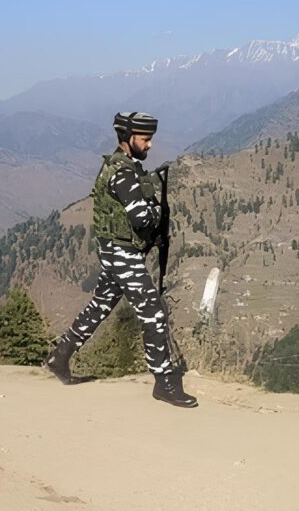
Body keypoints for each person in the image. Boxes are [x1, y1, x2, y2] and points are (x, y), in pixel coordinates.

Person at [44, 112, 198, 408]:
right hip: (121, 252)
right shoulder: (123, 172)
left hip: (113, 249)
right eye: (145, 138)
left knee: (101, 303)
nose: (150, 144)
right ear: (128, 139)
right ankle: (164, 383)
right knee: (153, 313)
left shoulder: (124, 167)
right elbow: (141, 218)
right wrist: (157, 211)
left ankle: (60, 356)